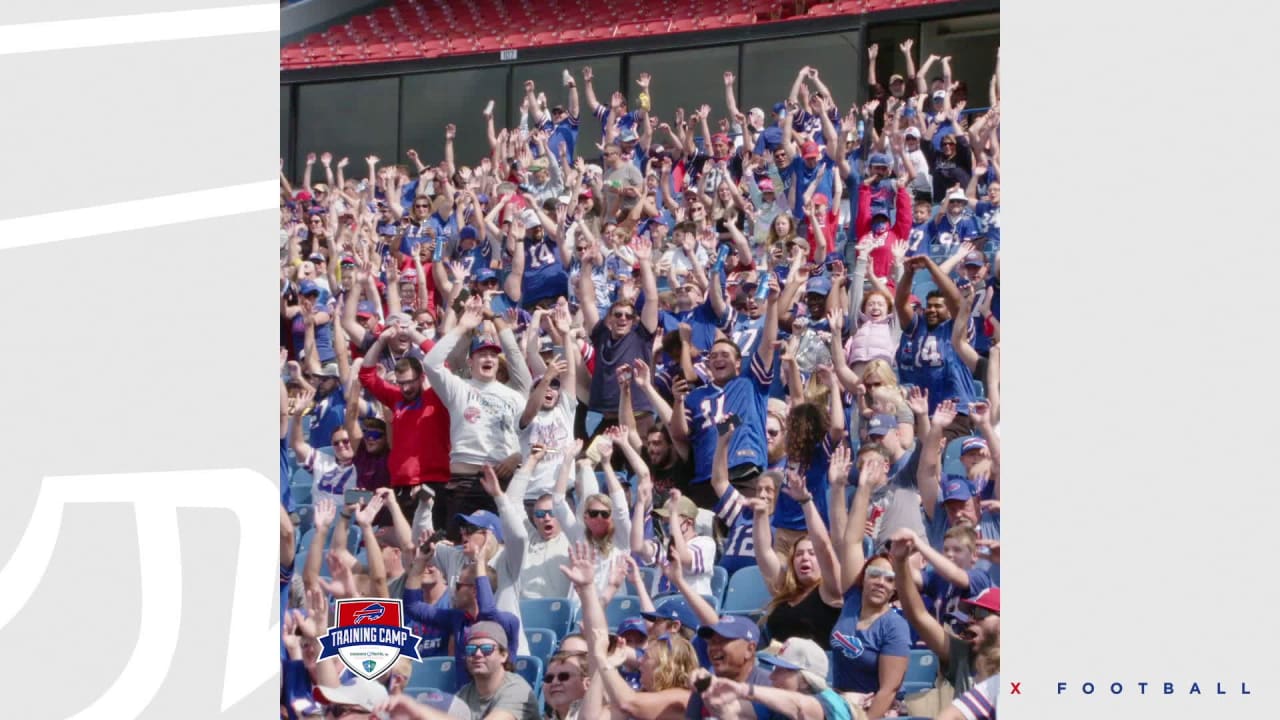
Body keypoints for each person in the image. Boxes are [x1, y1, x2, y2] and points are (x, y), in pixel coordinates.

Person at [669, 272, 781, 509]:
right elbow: (680, 434)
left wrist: (771, 304)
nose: (719, 359)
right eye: (714, 355)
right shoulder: (696, 396)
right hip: (704, 480)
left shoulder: (750, 383)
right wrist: (678, 401)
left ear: (739, 363)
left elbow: (768, 347)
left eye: (725, 355)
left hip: (744, 473)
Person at [423, 298, 531, 540]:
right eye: (482, 354)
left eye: (493, 355)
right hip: (463, 483)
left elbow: (531, 435)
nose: (489, 359)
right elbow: (430, 363)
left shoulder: (513, 396)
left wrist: (517, 457)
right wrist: (462, 327)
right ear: (470, 361)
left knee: (501, 549)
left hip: (502, 482)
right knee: (459, 547)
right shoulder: (458, 388)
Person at [829, 457, 910, 718]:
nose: (880, 582)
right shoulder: (852, 599)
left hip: (872, 709)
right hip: (840, 700)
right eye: (874, 574)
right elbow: (851, 542)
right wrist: (863, 489)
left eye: (889, 579)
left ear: (896, 589)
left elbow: (889, 689)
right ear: (863, 578)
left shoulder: (893, 626)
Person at [697, 637, 854, 720]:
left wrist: (743, 689)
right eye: (773, 669)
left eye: (781, 670)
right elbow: (731, 711)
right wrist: (707, 687)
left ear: (806, 680)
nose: (772, 676)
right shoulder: (776, 705)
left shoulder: (832, 702)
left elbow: (801, 708)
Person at [454, 621, 541, 720]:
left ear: (503, 655)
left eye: (486, 649)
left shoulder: (517, 689)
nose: (477, 654)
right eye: (471, 649)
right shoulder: (464, 694)